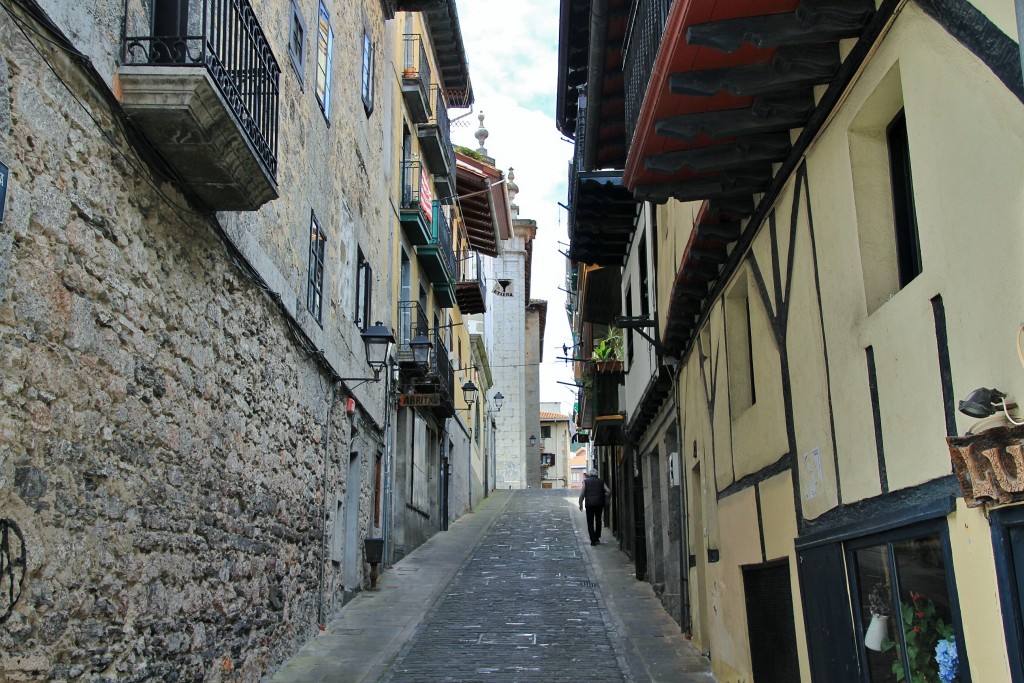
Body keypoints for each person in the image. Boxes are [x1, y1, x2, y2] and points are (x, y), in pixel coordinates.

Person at [578, 469, 610, 545]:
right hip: (599, 504)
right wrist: (605, 501)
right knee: (598, 520)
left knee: (590, 522)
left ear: (589, 474)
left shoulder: (586, 482)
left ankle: (592, 540)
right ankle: (597, 537)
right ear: (596, 475)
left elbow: (582, 493)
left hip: (589, 505)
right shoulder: (601, 482)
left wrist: (580, 503)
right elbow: (608, 492)